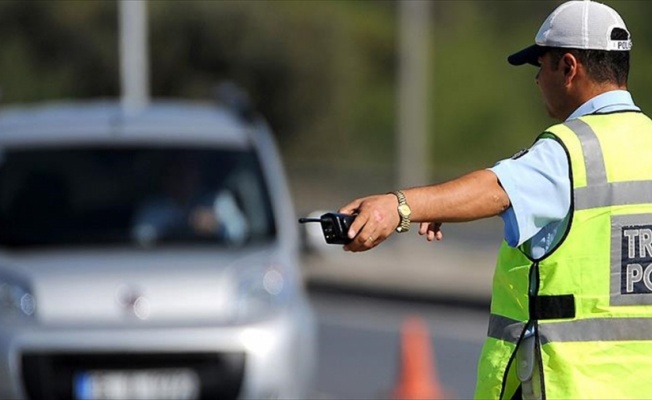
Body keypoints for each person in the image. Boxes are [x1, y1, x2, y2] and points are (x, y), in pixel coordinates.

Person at [338, 1, 652, 399]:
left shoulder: (571, 152)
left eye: (542, 65)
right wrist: (443, 208)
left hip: (571, 387)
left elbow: (496, 190)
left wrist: (397, 207)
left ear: (569, 67)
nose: (537, 79)